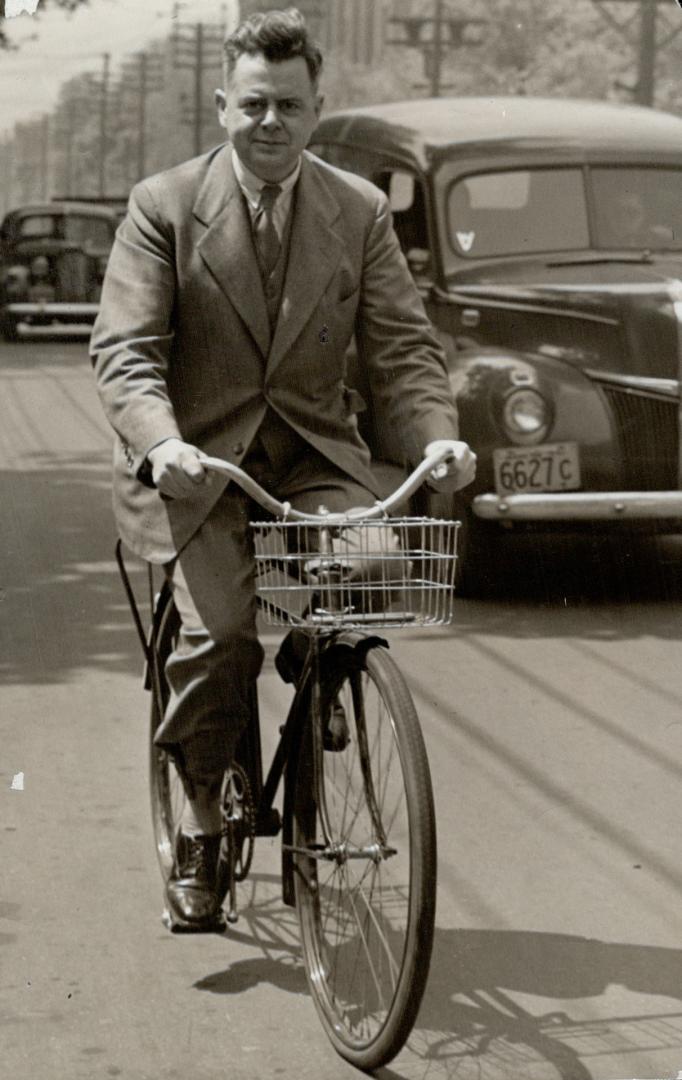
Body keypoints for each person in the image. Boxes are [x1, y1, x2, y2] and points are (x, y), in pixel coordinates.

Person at [91, 7, 476, 930]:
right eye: (254, 104)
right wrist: (161, 441)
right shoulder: (164, 206)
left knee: (380, 559)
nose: (272, 123)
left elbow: (404, 350)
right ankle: (200, 824)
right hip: (197, 465)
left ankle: (320, 658)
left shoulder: (358, 210)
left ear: (316, 110)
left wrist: (435, 436)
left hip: (309, 453)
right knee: (222, 636)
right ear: (223, 105)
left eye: (290, 106)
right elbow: (126, 351)